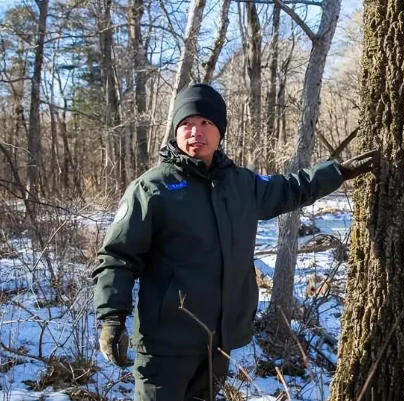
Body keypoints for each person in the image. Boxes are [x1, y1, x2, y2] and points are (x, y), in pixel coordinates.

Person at [92, 83, 377, 401]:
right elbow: (118, 256)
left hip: (218, 343)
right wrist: (111, 318)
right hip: (165, 346)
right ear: (175, 131)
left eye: (205, 123)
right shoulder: (152, 188)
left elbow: (290, 188)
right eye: (186, 124)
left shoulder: (240, 184)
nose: (195, 132)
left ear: (220, 130)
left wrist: (337, 172)